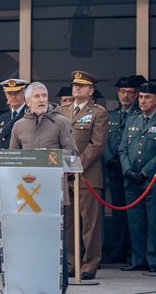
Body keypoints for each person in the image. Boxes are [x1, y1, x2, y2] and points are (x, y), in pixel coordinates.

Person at [10, 82, 78, 294]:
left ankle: (60, 286)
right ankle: (31, 284)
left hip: (53, 194)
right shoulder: (19, 125)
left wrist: (48, 158)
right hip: (26, 197)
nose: (41, 100)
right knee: (31, 244)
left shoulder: (61, 122)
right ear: (27, 101)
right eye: (37, 96)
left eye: (44, 95)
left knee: (55, 244)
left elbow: (73, 154)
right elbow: (11, 159)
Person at [118, 83, 156, 272]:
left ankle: (153, 260)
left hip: (152, 179)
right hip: (131, 178)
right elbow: (123, 148)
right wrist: (127, 170)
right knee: (135, 221)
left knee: (153, 221)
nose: (142, 101)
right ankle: (138, 259)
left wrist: (145, 172)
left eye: (147, 97)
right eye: (141, 97)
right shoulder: (133, 119)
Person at [56, 71, 108, 280]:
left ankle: (90, 263)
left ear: (91, 90)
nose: (76, 88)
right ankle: (71, 262)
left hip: (87, 176)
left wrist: (75, 166)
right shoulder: (62, 111)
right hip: (65, 176)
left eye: (82, 86)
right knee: (68, 223)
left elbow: (97, 145)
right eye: (75, 85)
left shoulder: (98, 113)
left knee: (90, 225)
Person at [0, 78, 29, 273]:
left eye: (16, 93)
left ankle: (20, 258)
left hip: (23, 176)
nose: (12, 97)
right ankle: (5, 258)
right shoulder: (3, 118)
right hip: (5, 176)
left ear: (23, 95)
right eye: (9, 93)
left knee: (21, 220)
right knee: (6, 218)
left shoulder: (28, 116)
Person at [102, 75, 144, 264]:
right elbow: (104, 141)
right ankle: (118, 249)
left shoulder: (139, 115)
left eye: (130, 92)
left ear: (136, 95)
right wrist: (111, 159)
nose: (126, 96)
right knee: (118, 211)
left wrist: (125, 163)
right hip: (114, 170)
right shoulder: (111, 115)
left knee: (135, 214)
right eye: (122, 92)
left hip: (133, 171)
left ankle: (133, 252)